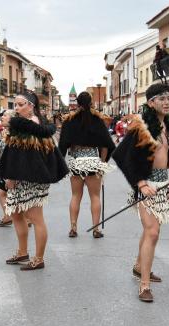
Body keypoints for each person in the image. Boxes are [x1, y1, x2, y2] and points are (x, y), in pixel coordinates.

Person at [112, 83, 169, 302]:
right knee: (152, 231)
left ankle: (139, 267)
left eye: (168, 98)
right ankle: (144, 285)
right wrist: (141, 183)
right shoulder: (142, 126)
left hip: (163, 183)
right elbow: (123, 155)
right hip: (146, 185)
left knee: (152, 232)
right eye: (161, 98)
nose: (166, 102)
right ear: (150, 102)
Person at [0, 91, 68, 271]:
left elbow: (22, 156)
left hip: (31, 179)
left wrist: (11, 177)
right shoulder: (29, 125)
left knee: (36, 218)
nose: (17, 108)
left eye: (21, 105)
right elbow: (16, 154)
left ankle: (39, 258)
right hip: (22, 178)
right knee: (17, 214)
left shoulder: (30, 126)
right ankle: (22, 252)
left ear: (31, 106)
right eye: (16, 105)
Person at [58, 91, 116, 238]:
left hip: (76, 160)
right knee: (95, 196)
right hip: (92, 160)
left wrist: (59, 164)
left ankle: (73, 227)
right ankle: (96, 229)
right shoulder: (98, 120)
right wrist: (102, 164)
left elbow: (63, 145)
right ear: (91, 103)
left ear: (77, 103)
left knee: (76, 195)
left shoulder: (69, 121)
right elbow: (106, 145)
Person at [0, 109, 15, 227]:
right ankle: (8, 216)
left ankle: (26, 218)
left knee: (2, 191)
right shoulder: (6, 132)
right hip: (6, 168)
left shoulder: (14, 134)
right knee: (1, 191)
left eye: (5, 116)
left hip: (11, 169)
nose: (2, 117)